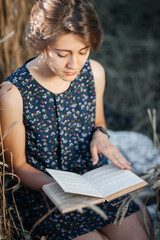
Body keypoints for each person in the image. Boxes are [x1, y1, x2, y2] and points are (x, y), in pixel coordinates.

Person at [0, 0, 152, 239]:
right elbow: (17, 167)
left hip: (94, 182)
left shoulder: (94, 73)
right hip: (46, 194)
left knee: (140, 237)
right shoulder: (12, 94)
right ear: (42, 44)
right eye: (63, 54)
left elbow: (98, 123)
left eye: (83, 51)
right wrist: (59, 188)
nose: (74, 64)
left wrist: (101, 135)